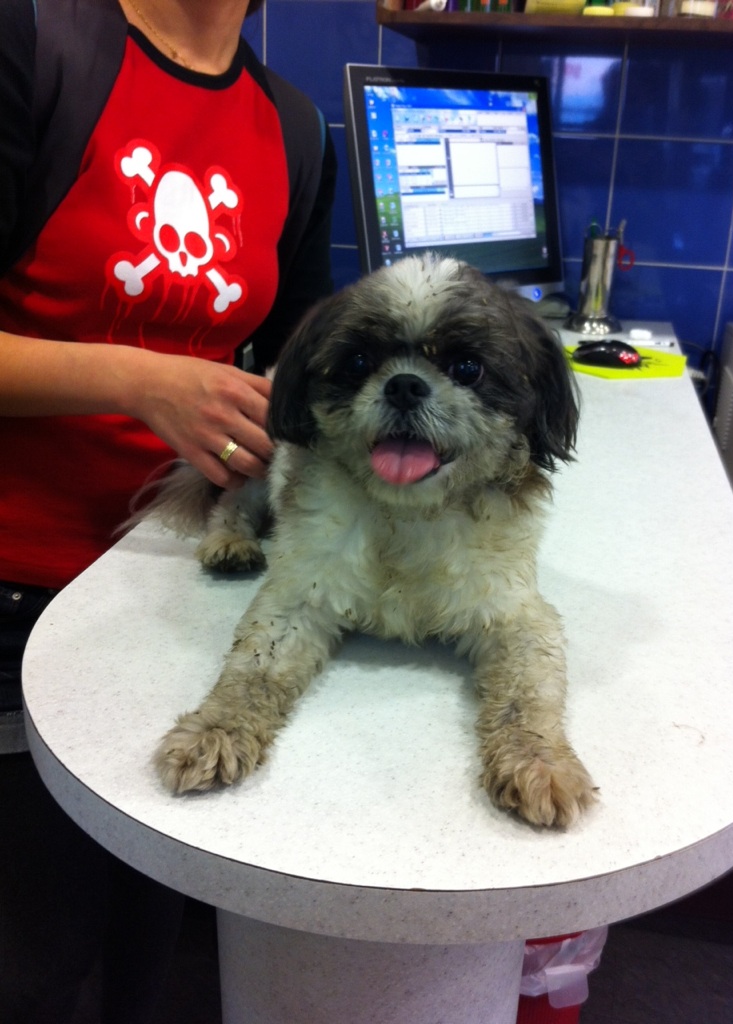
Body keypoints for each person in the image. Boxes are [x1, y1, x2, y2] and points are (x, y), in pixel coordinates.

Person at [0, 0, 336, 1020]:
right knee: (35, 958)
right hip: (20, 592)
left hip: (172, 586)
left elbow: (303, 366)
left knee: (146, 931)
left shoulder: (292, 126)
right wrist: (143, 381)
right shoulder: (35, 43)